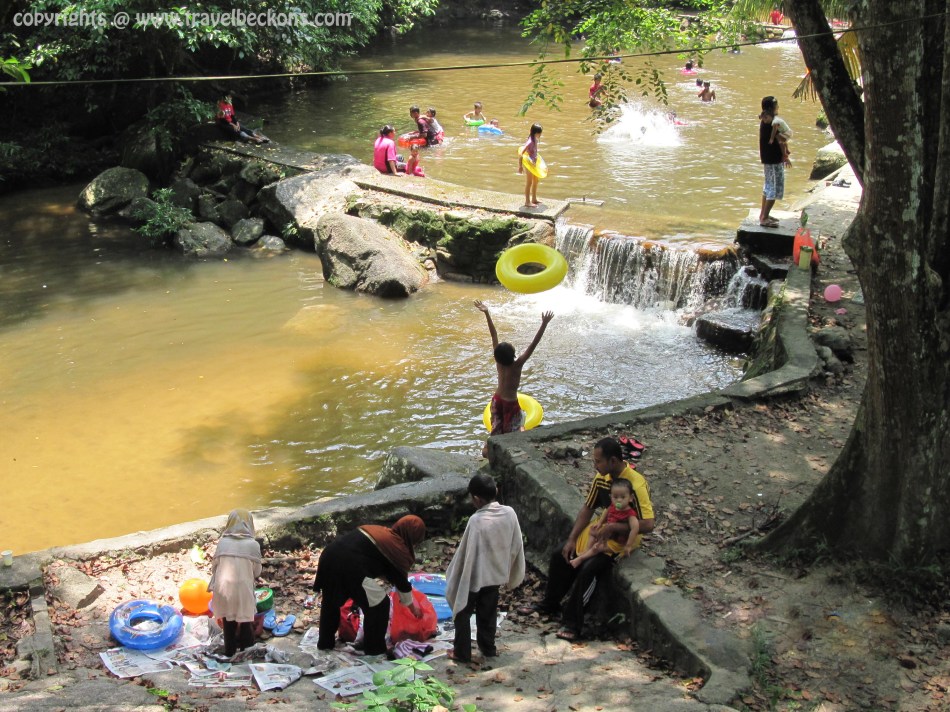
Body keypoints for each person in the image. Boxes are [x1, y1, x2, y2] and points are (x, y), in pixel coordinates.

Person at [518, 437, 654, 641]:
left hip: (621, 542)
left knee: (589, 569)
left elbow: (649, 524)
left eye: (598, 461)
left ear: (613, 461)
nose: (594, 465)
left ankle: (573, 623)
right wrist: (572, 538)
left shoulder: (636, 484)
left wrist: (616, 527)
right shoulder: (601, 479)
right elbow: (588, 508)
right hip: (600, 531)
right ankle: (549, 604)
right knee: (561, 553)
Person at [313, 515, 426, 655]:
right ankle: (374, 649)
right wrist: (412, 607)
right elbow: (401, 582)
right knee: (379, 605)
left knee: (331, 602)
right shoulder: (396, 548)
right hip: (350, 565)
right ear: (412, 537)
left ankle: (325, 643)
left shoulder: (379, 531)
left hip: (329, 555)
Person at [444, 473, 525, 663]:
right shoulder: (510, 513)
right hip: (495, 574)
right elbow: (516, 545)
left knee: (462, 612)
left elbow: (466, 554)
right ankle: (488, 648)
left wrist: (456, 575)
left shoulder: (476, 521)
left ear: (476, 499)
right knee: (488, 614)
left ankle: (462, 653)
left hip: (475, 577)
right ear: (495, 491)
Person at [474, 299, 553, 457]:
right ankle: (520, 423)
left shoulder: (499, 363)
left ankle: (496, 447)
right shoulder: (517, 365)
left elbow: (494, 335)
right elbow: (532, 345)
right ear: (513, 355)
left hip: (499, 401)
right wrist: (544, 324)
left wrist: (487, 313)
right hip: (506, 403)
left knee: (503, 432)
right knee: (507, 434)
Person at [208, 509, 263, 657]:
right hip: (243, 590)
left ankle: (230, 651)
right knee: (245, 621)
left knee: (228, 622)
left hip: (223, 589)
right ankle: (246, 650)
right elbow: (257, 572)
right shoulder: (253, 545)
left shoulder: (222, 543)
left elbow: (214, 567)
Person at [569, 478, 639, 568]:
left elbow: (635, 528)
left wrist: (628, 545)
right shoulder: (613, 505)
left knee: (597, 548)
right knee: (592, 531)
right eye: (615, 497)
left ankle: (581, 559)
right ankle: (587, 550)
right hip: (608, 534)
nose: (619, 500)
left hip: (617, 541)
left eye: (623, 497)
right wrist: (600, 523)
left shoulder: (630, 514)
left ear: (630, 498)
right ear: (611, 497)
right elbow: (607, 511)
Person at [758, 95, 791, 227]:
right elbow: (780, 139)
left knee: (768, 186)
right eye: (776, 106)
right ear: (772, 108)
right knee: (774, 187)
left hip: (767, 159)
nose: (778, 108)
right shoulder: (772, 123)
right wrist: (785, 155)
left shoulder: (765, 120)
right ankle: (764, 217)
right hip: (773, 159)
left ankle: (763, 214)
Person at [518, 123, 544, 208]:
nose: (540, 135)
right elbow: (521, 153)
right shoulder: (530, 141)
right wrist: (520, 166)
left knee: (536, 181)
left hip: (534, 162)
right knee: (529, 182)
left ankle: (534, 199)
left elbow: (535, 151)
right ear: (535, 132)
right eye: (539, 133)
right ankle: (527, 202)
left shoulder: (535, 139)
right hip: (528, 163)